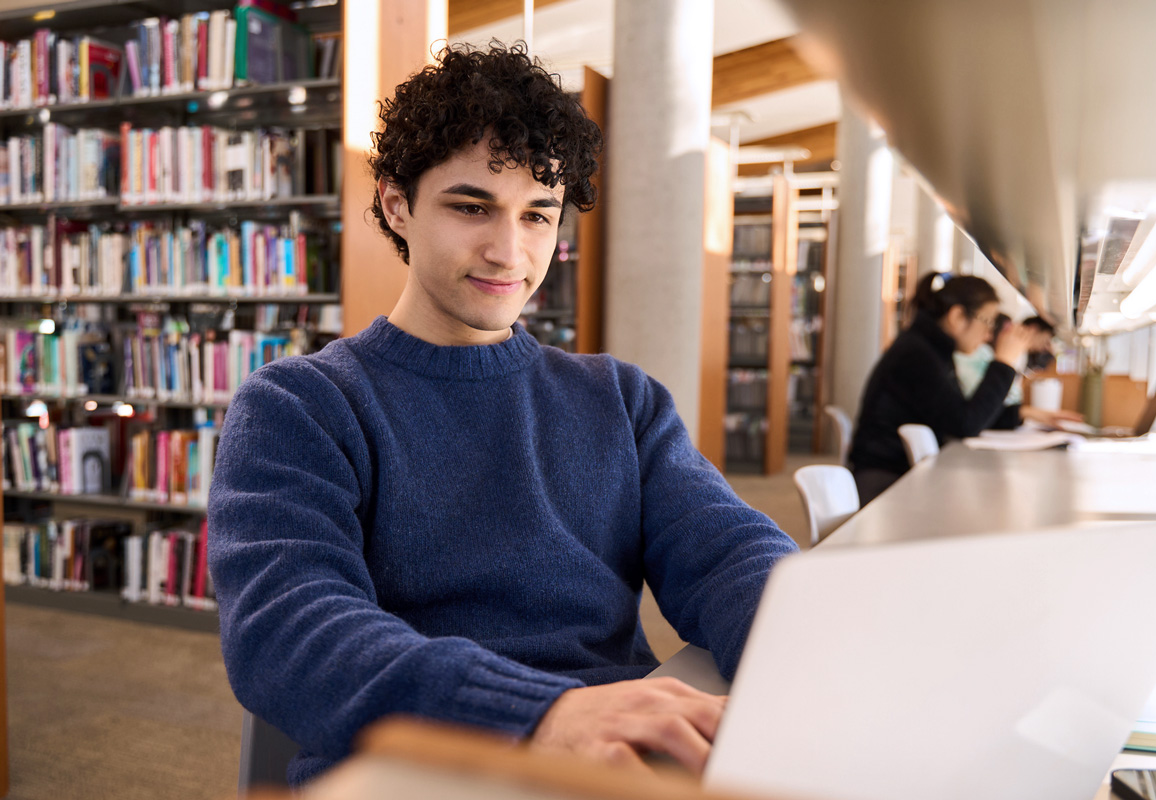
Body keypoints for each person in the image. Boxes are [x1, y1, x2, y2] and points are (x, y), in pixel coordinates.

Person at [206, 43, 798, 786]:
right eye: (471, 207)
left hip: (612, 757)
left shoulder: (619, 399)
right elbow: (289, 634)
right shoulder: (298, 406)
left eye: (538, 215)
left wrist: (810, 652)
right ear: (397, 203)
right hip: (422, 770)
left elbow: (730, 553)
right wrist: (540, 715)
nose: (508, 252)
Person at [849, 273, 1035, 505]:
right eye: (987, 322)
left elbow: (963, 413)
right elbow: (964, 424)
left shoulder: (930, 349)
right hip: (884, 482)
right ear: (957, 316)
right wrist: (1004, 363)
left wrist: (1020, 414)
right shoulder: (918, 355)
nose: (989, 334)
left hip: (898, 473)